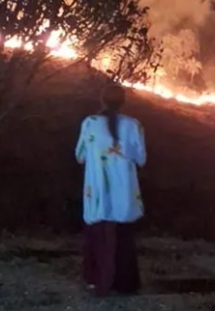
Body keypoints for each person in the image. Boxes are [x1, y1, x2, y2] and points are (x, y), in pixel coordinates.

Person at [75, 83, 147, 297]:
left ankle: (96, 278)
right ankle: (125, 282)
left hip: (97, 191)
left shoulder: (90, 124)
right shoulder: (134, 125)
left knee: (98, 234)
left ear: (102, 100)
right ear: (123, 102)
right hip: (124, 191)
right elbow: (141, 158)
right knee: (123, 235)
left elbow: (79, 155)